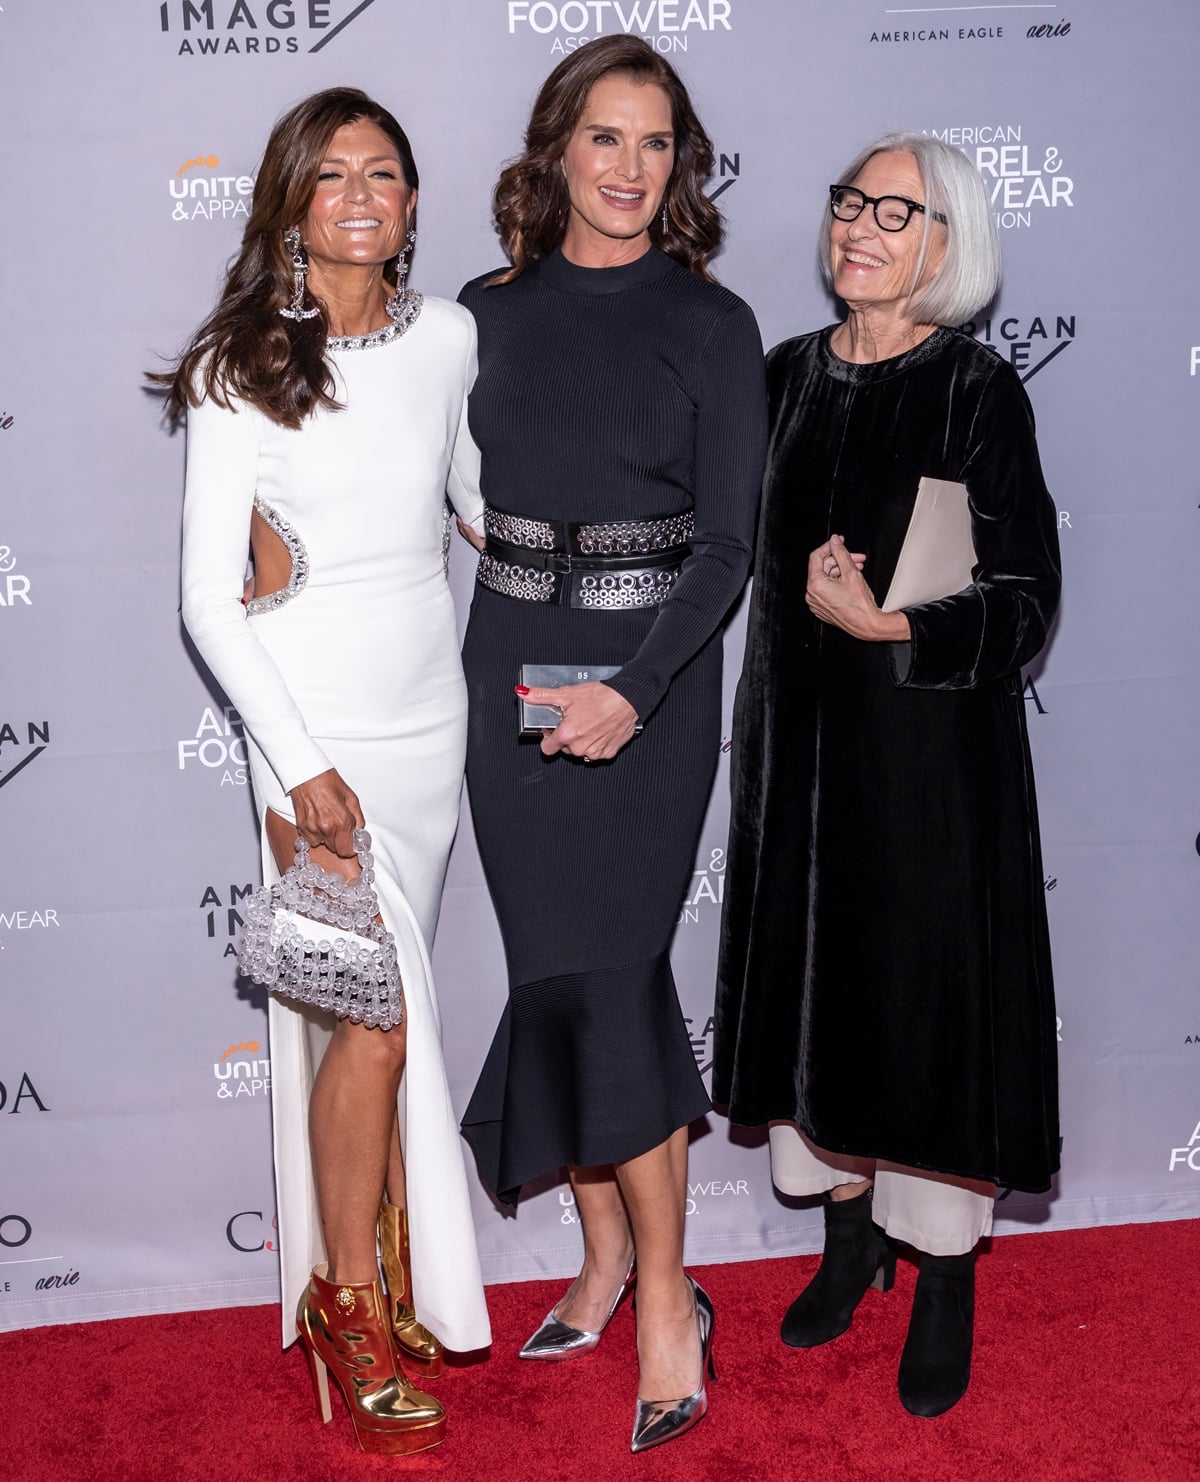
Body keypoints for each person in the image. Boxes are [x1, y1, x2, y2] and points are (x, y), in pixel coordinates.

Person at [713, 132, 1061, 1419]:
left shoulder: (977, 390)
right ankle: (849, 1238)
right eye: (850, 200)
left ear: (947, 245)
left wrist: (898, 629)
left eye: (894, 211)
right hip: (796, 755)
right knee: (814, 992)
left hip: (929, 771)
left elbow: (1026, 600)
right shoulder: (787, 374)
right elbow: (700, 512)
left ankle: (949, 1269)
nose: (859, 224)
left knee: (921, 1007)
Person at [166, 88, 491, 1455]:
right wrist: (298, 763)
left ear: (413, 203)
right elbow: (205, 601)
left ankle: (384, 1268)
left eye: (387, 174)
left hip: (432, 721)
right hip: (312, 736)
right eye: (333, 174)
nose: (362, 194)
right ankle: (346, 1300)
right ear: (292, 201)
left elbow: (476, 503)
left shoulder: (454, 338)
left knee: (379, 1022)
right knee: (371, 1018)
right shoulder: (236, 364)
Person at [456, 36, 767, 1455]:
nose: (631, 169)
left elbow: (728, 547)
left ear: (679, 164)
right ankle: (598, 1258)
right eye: (605, 139)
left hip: (650, 685)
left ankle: (665, 1300)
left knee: (623, 980)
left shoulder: (712, 324)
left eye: (656, 144)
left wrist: (634, 691)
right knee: (554, 981)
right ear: (556, 151)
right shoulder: (483, 313)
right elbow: (430, 475)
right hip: (512, 665)